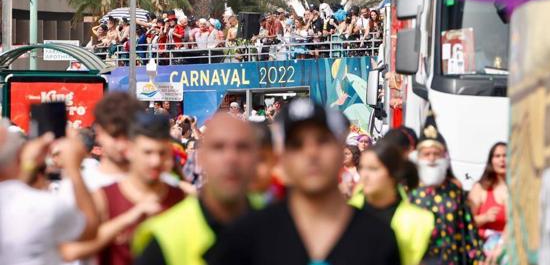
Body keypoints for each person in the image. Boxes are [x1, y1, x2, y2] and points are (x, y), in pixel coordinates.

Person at [216, 99, 401, 265]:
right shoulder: (246, 237)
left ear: (341, 151)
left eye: (322, 141)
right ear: (281, 159)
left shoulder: (378, 238)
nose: (311, 154)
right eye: (297, 144)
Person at [132, 112, 260, 265]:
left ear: (257, 157)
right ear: (201, 158)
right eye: (218, 147)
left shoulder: (281, 221)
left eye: (242, 147)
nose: (230, 158)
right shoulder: (164, 236)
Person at [61, 113, 186, 265]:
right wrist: (129, 218)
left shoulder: (182, 197)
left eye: (162, 153)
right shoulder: (104, 196)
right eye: (147, 153)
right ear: (131, 151)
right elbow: (70, 251)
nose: (155, 161)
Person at [0, 122, 99, 265]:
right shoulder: (40, 207)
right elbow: (89, 228)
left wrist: (28, 164)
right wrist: (73, 166)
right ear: (17, 157)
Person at [410, 113, 484, 265]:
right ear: (418, 158)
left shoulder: (454, 191)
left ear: (444, 157)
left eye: (436, 154)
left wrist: (477, 258)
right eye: (427, 154)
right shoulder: (410, 192)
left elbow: (468, 229)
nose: (431, 159)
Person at [351, 142, 435, 265]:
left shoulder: (421, 220)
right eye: (362, 168)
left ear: (394, 173)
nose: (365, 175)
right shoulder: (346, 210)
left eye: (373, 169)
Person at [468, 142, 508, 262]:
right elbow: (466, 221)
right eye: (497, 156)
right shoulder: (480, 188)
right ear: (491, 161)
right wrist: (484, 218)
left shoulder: (519, 189)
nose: (502, 160)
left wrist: (501, 245)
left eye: (505, 155)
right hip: (482, 249)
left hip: (507, 248)